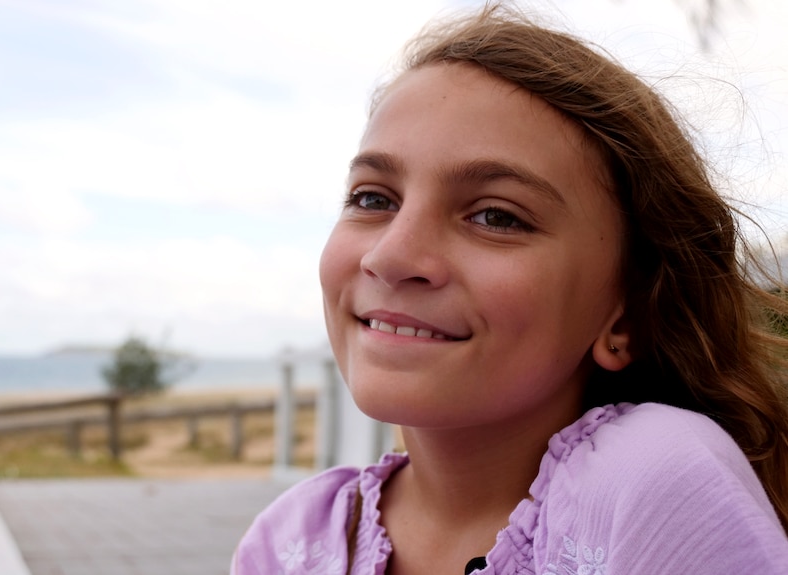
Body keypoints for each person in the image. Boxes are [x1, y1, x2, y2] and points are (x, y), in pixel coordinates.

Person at [232, 3, 788, 573]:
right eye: (373, 199)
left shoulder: (652, 480)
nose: (391, 256)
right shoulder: (289, 541)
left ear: (628, 318)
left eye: (496, 217)